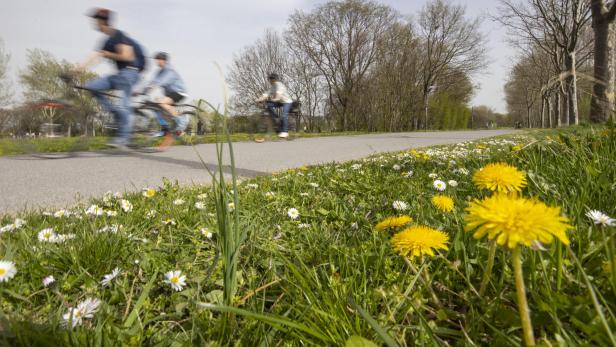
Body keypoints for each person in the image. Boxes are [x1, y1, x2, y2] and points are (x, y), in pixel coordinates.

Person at [76, 8, 146, 149]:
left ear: (103, 21)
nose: (95, 23)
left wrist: (107, 54)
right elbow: (95, 57)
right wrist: (77, 70)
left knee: (123, 105)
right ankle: (117, 113)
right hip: (120, 75)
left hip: (130, 73)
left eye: (96, 21)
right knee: (91, 86)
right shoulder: (106, 41)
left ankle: (123, 137)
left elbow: (128, 56)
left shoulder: (118, 35)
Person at [141, 52, 188, 136]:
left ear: (164, 60)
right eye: (156, 60)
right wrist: (142, 91)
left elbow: (162, 81)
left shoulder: (170, 70)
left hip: (179, 92)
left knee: (161, 102)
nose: (157, 62)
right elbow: (152, 81)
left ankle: (181, 122)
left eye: (159, 60)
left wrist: (153, 86)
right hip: (170, 94)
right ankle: (165, 129)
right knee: (155, 106)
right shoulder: (159, 72)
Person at [255, 73, 293, 138]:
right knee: (268, 105)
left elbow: (278, 96)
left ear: (275, 79)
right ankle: (276, 118)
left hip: (287, 102)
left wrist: (274, 99)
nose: (270, 81)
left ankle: (285, 132)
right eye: (270, 79)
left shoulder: (279, 85)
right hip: (279, 102)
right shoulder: (273, 86)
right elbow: (266, 94)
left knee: (284, 115)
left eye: (272, 79)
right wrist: (259, 99)